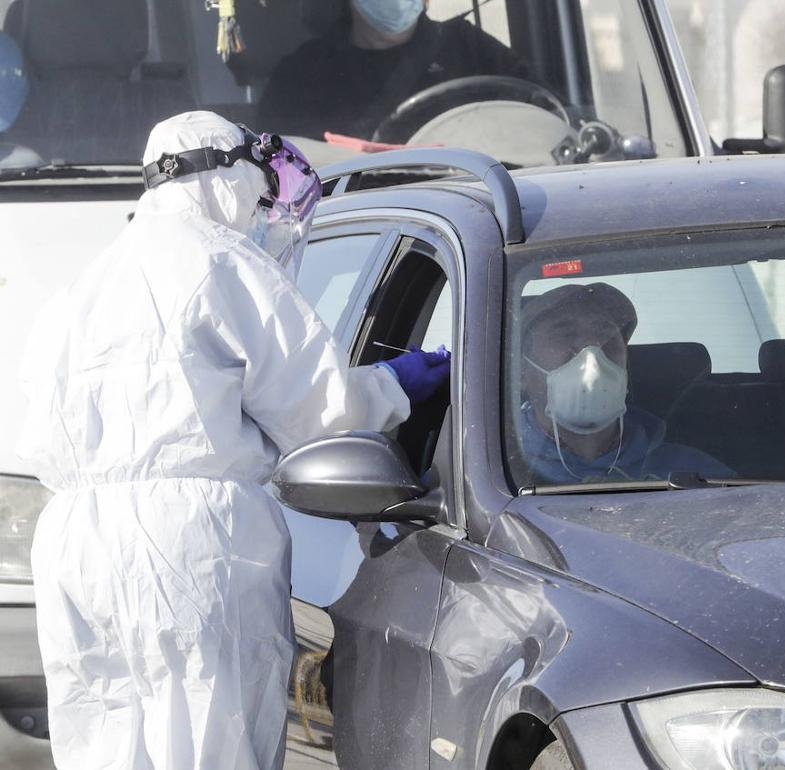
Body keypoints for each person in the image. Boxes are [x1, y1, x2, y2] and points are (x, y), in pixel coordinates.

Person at [16, 111, 449, 770]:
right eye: (253, 188)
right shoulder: (221, 262)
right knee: (211, 735)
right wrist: (393, 383)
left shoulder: (88, 283)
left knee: (106, 738)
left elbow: (36, 436)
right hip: (192, 545)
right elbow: (317, 409)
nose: (257, 209)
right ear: (220, 174)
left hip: (77, 542)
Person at [518, 282, 732, 483]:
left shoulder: (694, 475)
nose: (592, 348)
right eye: (564, 333)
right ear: (521, 371)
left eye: (605, 333)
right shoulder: (500, 474)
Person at [257, 0, 529, 141]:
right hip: (358, 229)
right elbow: (278, 172)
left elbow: (545, 116)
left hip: (469, 219)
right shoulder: (300, 76)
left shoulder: (472, 49)